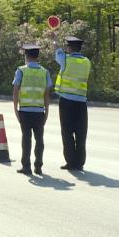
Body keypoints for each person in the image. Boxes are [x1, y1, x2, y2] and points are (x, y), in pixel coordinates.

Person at [12, 43, 52, 176]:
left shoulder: (21, 70)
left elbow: (15, 91)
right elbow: (47, 93)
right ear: (38, 56)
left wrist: (15, 109)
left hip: (25, 111)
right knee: (39, 140)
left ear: (26, 56)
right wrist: (47, 111)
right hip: (39, 112)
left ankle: (26, 167)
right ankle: (38, 166)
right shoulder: (45, 72)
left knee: (26, 139)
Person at [53, 36, 92, 171]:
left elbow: (57, 51)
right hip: (81, 102)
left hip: (66, 101)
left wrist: (54, 38)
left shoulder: (66, 59)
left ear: (70, 48)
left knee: (67, 132)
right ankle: (80, 162)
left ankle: (70, 161)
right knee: (81, 133)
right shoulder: (87, 62)